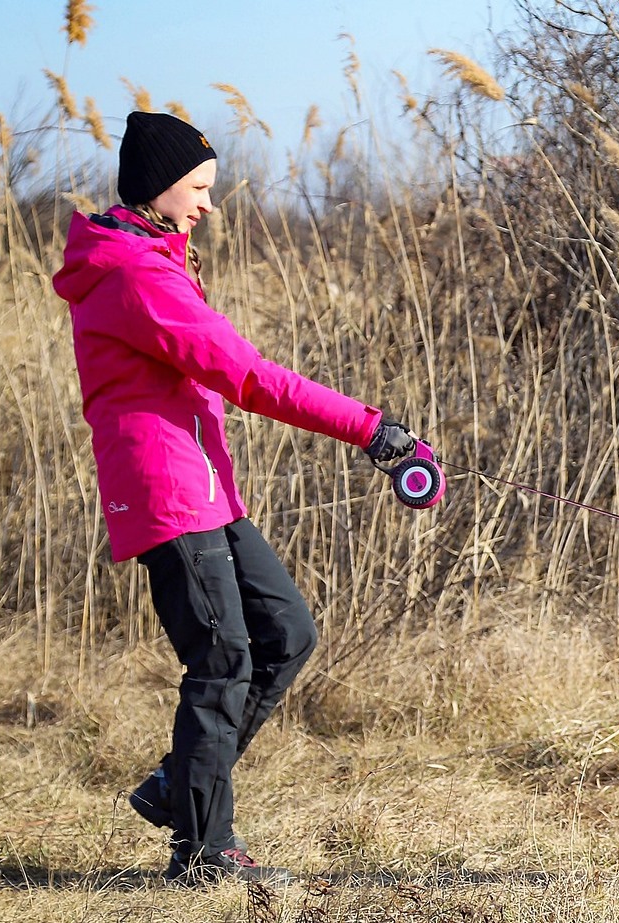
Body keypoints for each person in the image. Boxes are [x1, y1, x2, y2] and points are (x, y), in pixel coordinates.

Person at [52, 111, 421, 886]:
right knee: (221, 658)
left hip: (206, 487)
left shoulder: (156, 260)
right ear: (158, 186)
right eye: (198, 189)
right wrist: (369, 429)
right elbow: (248, 376)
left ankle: (174, 786)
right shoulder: (138, 276)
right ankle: (203, 851)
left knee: (285, 632)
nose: (207, 206)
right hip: (167, 490)